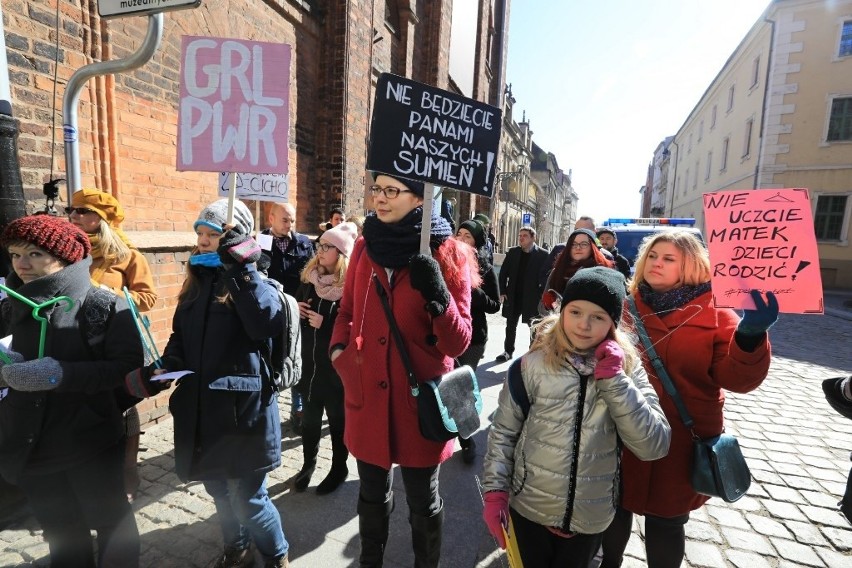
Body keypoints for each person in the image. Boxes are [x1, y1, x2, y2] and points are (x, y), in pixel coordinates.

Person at [600, 230, 777, 568]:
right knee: (614, 508)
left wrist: (751, 336)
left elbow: (739, 379)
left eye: (669, 258)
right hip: (623, 429)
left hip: (681, 438)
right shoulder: (625, 306)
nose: (657, 263)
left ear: (692, 265)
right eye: (652, 256)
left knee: (667, 522)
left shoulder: (715, 312)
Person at [481, 267, 671, 567]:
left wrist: (615, 382)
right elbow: (503, 435)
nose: (584, 325)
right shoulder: (530, 367)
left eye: (598, 317)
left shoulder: (629, 369)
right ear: (562, 312)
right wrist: (495, 492)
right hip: (530, 509)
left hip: (590, 516)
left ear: (612, 323)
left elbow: (654, 444)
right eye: (576, 312)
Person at [330, 172, 474, 567]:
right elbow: (346, 311)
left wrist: (440, 300)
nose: (380, 197)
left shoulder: (449, 253)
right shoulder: (363, 246)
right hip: (366, 394)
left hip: (419, 404)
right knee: (371, 494)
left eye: (391, 191)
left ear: (420, 198)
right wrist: (338, 352)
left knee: (422, 501)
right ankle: (370, 560)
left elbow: (458, 342)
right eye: (377, 189)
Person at [0, 215, 142, 567]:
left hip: (89, 441)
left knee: (113, 526)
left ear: (63, 256)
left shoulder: (103, 304)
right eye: (16, 254)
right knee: (62, 534)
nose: (22, 264)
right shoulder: (11, 303)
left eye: (34, 253)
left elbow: (127, 370)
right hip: (31, 444)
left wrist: (57, 374)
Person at [159, 199, 289, 568]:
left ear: (235, 237)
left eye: (213, 234)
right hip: (202, 408)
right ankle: (238, 544)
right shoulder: (196, 279)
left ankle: (276, 554)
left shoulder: (255, 279)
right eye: (200, 232)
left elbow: (265, 323)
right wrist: (171, 361)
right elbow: (179, 335)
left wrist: (241, 268)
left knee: (249, 497)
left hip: (242, 412)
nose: (203, 241)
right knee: (215, 486)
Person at [68, 188, 159, 503]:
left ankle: (128, 468)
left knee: (124, 401)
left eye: (81, 211)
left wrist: (105, 297)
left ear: (100, 218)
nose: (74, 216)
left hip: (117, 342)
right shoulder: (67, 251)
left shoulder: (127, 254)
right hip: (76, 340)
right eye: (72, 210)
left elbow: (148, 297)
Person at [292, 221, 358, 495]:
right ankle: (308, 464)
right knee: (309, 421)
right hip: (309, 365)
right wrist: (296, 308)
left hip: (336, 371)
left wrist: (327, 323)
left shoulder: (351, 289)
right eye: (320, 245)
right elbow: (298, 312)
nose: (320, 250)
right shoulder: (310, 281)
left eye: (327, 246)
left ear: (341, 254)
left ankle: (338, 468)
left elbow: (356, 327)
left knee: (337, 422)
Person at [260, 202, 314, 435]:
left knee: (295, 357)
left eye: (292, 220)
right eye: (285, 220)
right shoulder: (260, 241)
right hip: (270, 311)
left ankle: (298, 409)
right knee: (269, 359)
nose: (290, 224)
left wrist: (301, 304)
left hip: (297, 311)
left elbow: (311, 275)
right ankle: (265, 408)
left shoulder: (303, 243)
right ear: (271, 218)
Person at [454, 219, 501, 464]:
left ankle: (466, 438)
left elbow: (495, 305)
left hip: (472, 338)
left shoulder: (484, 268)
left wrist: (473, 290)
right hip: (446, 334)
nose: (461, 239)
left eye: (467, 236)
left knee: (461, 389)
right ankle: (445, 432)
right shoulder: (445, 262)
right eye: (459, 233)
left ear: (477, 242)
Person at [495, 226, 549, 362]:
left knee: (534, 327)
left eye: (524, 235)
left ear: (533, 238)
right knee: (510, 325)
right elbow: (503, 274)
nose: (521, 238)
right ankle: (507, 351)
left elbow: (546, 277)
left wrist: (543, 295)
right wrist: (502, 291)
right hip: (513, 296)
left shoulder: (543, 255)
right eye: (520, 235)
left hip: (532, 298)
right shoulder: (513, 252)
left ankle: (532, 353)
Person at [542, 229, 615, 310]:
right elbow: (542, 308)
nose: (578, 247)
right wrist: (548, 306)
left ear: (592, 247)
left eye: (584, 244)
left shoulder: (603, 273)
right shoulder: (557, 271)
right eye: (573, 244)